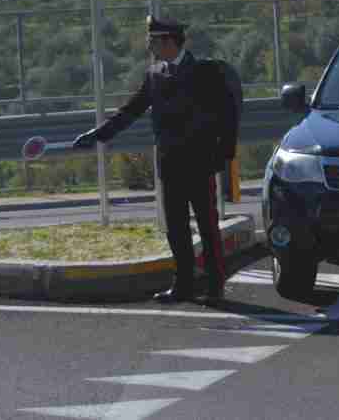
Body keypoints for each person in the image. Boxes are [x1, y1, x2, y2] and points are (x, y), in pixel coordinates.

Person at [73, 16, 235, 303]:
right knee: (176, 228)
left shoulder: (204, 72)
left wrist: (225, 154)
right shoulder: (154, 74)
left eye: (153, 41)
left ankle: (214, 286)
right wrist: (99, 134)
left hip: (199, 163)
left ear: (169, 41)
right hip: (170, 163)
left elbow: (227, 114)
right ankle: (183, 285)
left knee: (207, 227)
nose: (149, 47)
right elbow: (131, 110)